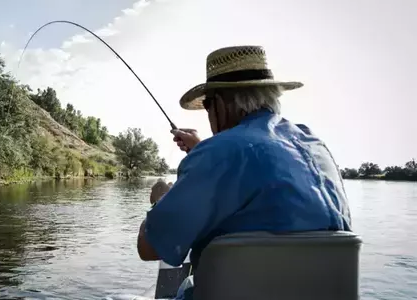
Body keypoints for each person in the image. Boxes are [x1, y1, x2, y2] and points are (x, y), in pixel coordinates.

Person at [136, 45, 352, 299]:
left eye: (207, 105)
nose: (208, 113)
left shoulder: (216, 154)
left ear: (220, 104)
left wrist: (160, 200)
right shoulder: (315, 145)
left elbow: (149, 248)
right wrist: (205, 150)